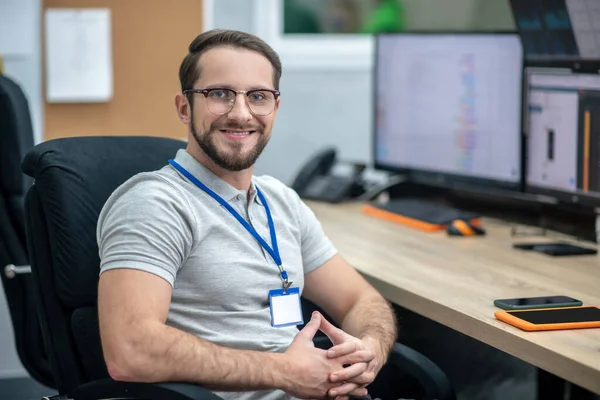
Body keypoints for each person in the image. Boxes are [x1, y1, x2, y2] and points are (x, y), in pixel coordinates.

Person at [96, 29, 397, 400]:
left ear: (275, 108)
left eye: (258, 97)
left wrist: (370, 350)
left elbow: (359, 300)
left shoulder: (281, 201)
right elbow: (130, 350)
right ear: (184, 107)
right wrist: (284, 372)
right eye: (219, 94)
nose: (241, 114)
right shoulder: (155, 204)